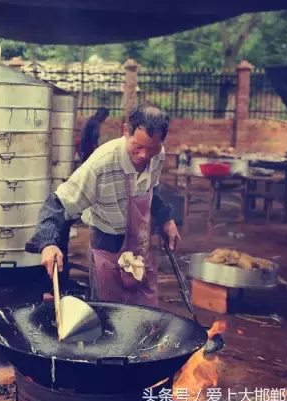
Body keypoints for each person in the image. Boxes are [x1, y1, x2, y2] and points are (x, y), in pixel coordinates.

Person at [26, 103, 181, 307]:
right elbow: (57, 204)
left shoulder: (158, 156)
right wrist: (48, 243)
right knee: (110, 313)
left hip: (141, 244)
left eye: (152, 148)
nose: (144, 155)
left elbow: (153, 191)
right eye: (138, 146)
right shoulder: (101, 164)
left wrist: (167, 220)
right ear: (126, 131)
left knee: (145, 312)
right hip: (107, 242)